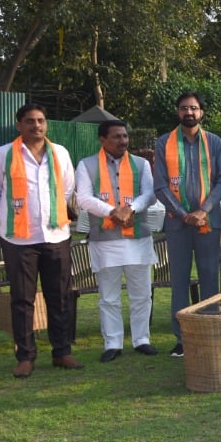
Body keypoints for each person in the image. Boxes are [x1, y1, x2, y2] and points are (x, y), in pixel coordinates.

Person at [0, 103, 80, 376]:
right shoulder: (1, 155)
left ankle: (62, 352)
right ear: (18, 125)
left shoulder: (59, 153)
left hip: (56, 236)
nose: (36, 126)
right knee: (22, 299)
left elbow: (67, 189)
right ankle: (25, 357)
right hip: (18, 240)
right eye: (30, 121)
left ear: (46, 124)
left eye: (40, 120)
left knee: (59, 297)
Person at [152, 91, 221, 357]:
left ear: (201, 113)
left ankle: (210, 332)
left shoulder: (214, 142)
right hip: (177, 224)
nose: (189, 112)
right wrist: (184, 213)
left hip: (208, 222)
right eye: (185, 108)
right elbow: (160, 185)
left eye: (194, 108)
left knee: (210, 277)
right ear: (178, 112)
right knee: (180, 281)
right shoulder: (163, 143)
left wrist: (203, 210)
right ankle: (182, 339)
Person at [74, 119, 158, 362]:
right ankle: (113, 342)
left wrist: (130, 209)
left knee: (141, 293)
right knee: (108, 296)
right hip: (105, 240)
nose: (123, 141)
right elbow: (84, 199)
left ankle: (142, 339)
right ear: (102, 140)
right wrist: (113, 212)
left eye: (125, 136)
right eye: (117, 137)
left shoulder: (141, 164)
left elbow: (150, 194)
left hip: (137, 238)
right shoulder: (87, 165)